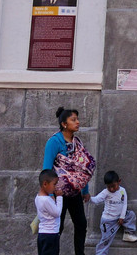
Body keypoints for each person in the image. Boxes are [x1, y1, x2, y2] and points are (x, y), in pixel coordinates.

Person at [42, 107, 94, 255]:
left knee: (81, 224)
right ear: (64, 124)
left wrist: (85, 190)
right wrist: (50, 194)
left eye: (77, 119)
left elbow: (82, 169)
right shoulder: (54, 142)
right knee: (58, 227)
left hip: (75, 193)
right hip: (58, 193)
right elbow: (47, 168)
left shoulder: (77, 143)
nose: (77, 122)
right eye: (73, 120)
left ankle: (80, 253)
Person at [90, 170, 137, 253]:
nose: (111, 189)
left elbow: (124, 204)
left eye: (113, 186)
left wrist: (122, 217)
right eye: (109, 187)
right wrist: (89, 198)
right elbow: (97, 200)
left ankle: (128, 233)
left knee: (131, 215)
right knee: (105, 241)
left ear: (119, 181)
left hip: (119, 218)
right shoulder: (105, 192)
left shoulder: (122, 191)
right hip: (108, 221)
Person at [37, 169, 63, 255]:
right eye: (54, 184)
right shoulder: (46, 200)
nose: (56, 187)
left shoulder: (39, 197)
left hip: (43, 234)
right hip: (50, 234)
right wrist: (59, 198)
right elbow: (57, 213)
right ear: (45, 184)